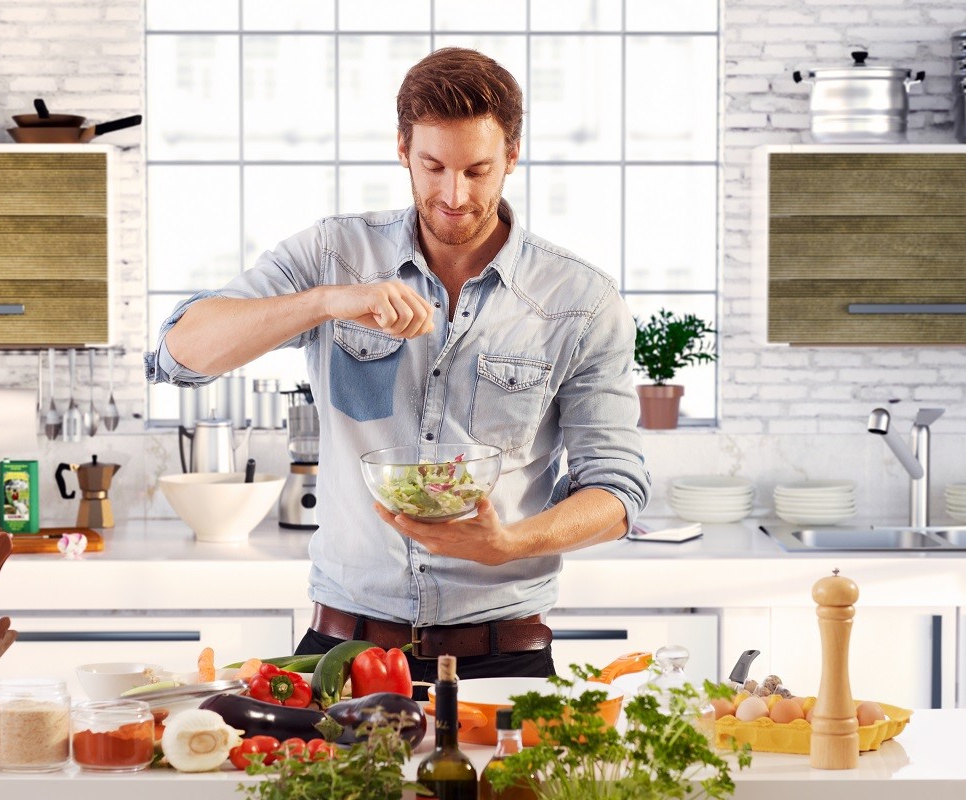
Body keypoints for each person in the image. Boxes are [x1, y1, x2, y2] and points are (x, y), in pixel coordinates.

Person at [146, 47, 651, 684]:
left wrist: (509, 544)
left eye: (477, 170)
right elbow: (180, 353)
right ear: (403, 148)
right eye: (433, 166)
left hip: (506, 650)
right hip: (342, 648)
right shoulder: (336, 254)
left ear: (513, 157)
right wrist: (327, 302)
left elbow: (619, 493)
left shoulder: (581, 301)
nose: (454, 194)